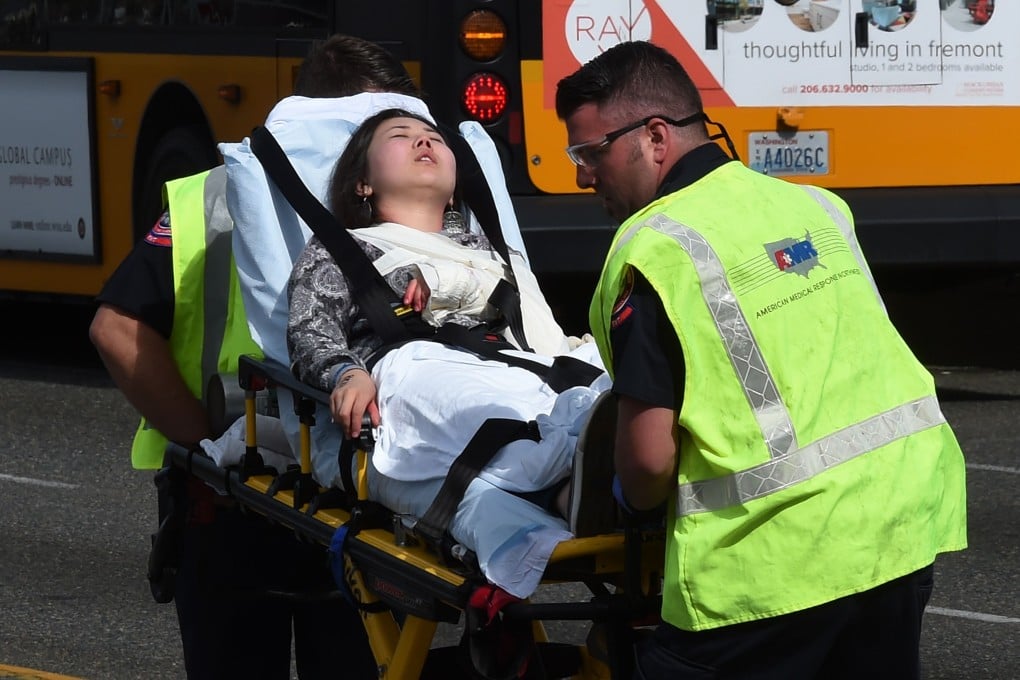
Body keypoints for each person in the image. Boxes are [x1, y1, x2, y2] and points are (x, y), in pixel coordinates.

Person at [555, 40, 968, 679]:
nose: (583, 175)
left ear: (654, 137)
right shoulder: (818, 207)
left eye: (589, 153)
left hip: (768, 569)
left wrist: (629, 501)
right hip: (900, 530)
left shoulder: (654, 250)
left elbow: (646, 462)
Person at [87, 34, 419, 680]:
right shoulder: (401, 208)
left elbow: (117, 326)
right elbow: (116, 329)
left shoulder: (219, 194)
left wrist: (208, 446)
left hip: (245, 488)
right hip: (332, 494)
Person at [285, 108, 615, 597]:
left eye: (433, 138)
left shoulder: (489, 252)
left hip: (509, 359)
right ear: (363, 184)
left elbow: (537, 331)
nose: (424, 143)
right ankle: (570, 489)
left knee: (588, 377)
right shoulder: (345, 248)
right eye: (402, 136)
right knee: (462, 400)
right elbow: (311, 328)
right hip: (411, 361)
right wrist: (345, 375)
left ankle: (604, 448)